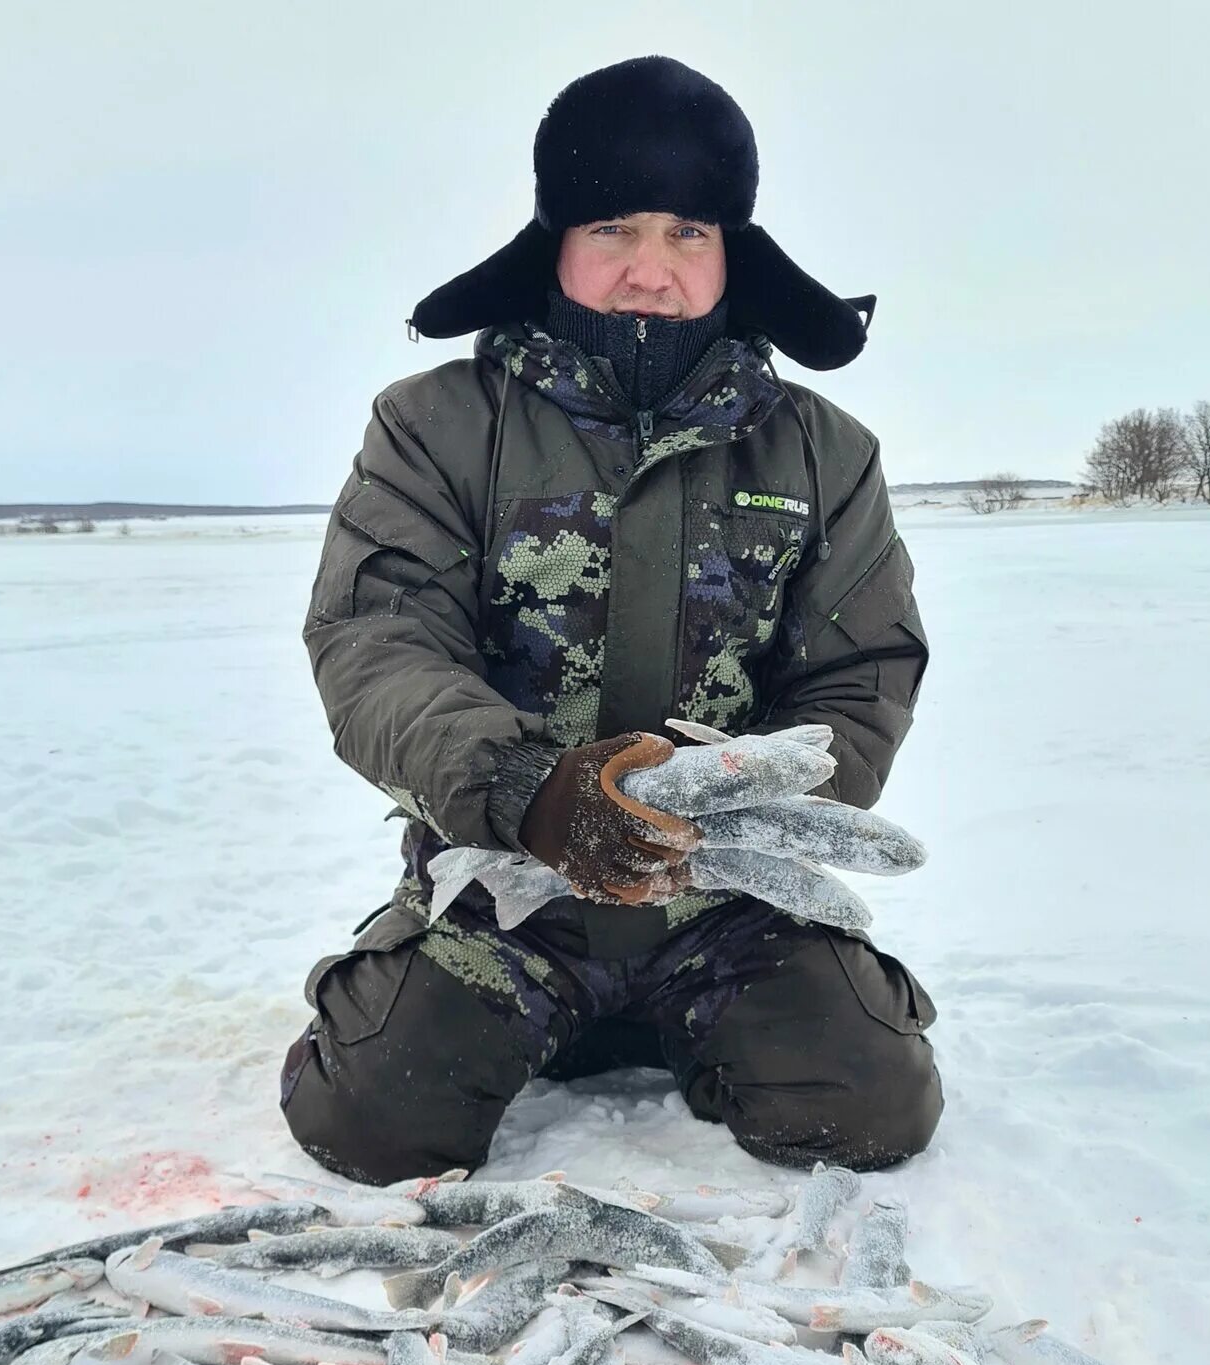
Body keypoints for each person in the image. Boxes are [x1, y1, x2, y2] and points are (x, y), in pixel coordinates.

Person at [280, 55, 941, 1187]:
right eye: (614, 228)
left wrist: (734, 821)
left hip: (730, 903)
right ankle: (467, 998)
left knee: (873, 1104)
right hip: (509, 885)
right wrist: (531, 795)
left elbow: (862, 669)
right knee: (376, 1121)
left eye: (689, 232)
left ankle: (692, 1018)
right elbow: (376, 644)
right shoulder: (434, 427)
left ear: (733, 251)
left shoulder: (826, 449)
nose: (651, 270)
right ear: (556, 244)